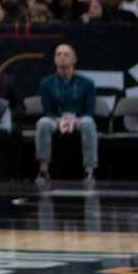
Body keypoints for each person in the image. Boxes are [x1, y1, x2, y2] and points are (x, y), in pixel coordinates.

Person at [34, 42, 100, 184]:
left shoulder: (87, 83)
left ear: (74, 59)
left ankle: (89, 170)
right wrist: (59, 120)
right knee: (43, 123)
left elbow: (89, 111)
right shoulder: (46, 83)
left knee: (89, 123)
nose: (62, 57)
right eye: (58, 54)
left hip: (79, 119)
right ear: (54, 59)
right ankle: (43, 169)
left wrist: (75, 121)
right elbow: (47, 111)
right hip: (56, 119)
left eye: (66, 54)